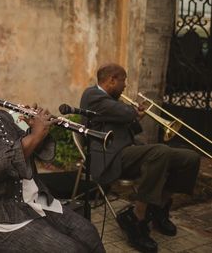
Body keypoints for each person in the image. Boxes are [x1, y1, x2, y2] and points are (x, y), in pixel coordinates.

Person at [0, 78, 105, 253]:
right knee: (69, 249)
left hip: (30, 203)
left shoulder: (1, 117)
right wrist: (34, 137)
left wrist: (36, 131)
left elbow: (36, 152)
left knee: (88, 233)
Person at [80, 63, 200, 253]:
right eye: (123, 80)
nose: (125, 85)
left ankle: (160, 207)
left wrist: (137, 115)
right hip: (110, 157)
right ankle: (136, 217)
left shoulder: (112, 102)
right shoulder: (92, 95)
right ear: (112, 79)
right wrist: (133, 111)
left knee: (190, 158)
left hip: (129, 152)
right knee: (160, 152)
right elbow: (125, 113)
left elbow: (131, 124)